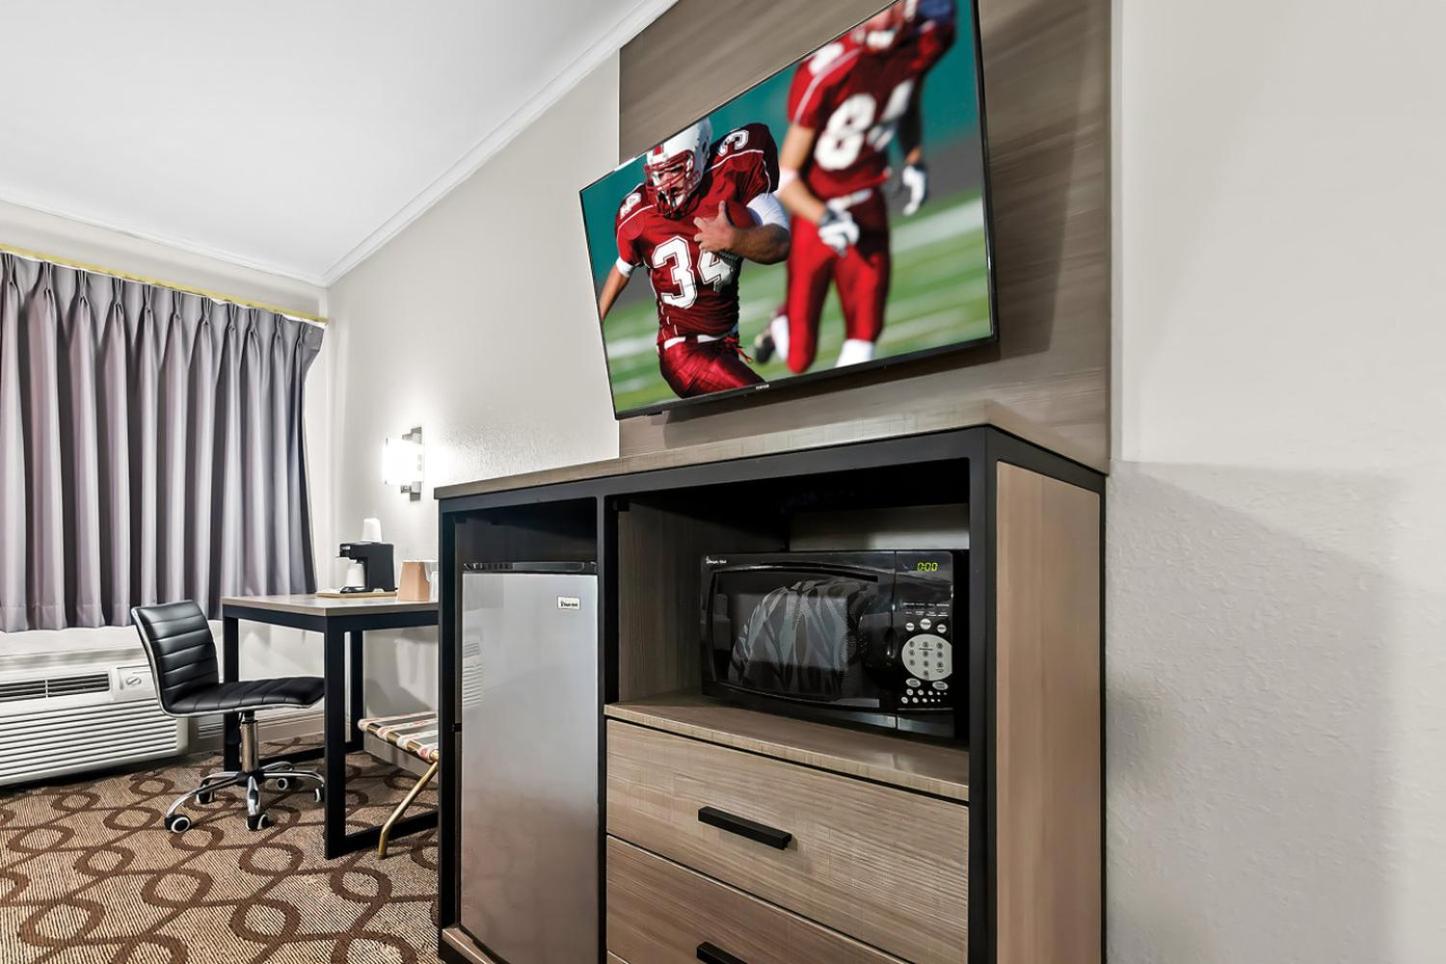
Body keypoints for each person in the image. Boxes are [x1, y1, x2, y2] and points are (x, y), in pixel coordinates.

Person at [754, 0, 957, 373]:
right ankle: (781, 323)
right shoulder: (829, 67)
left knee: (864, 343)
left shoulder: (926, 37)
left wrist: (914, 160)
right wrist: (825, 217)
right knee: (798, 360)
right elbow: (785, 176)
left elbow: (907, 100)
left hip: (868, 204)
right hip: (816, 212)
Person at [597, 119, 790, 399]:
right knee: (765, 402)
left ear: (701, 153)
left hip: (726, 342)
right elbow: (622, 267)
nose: (665, 184)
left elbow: (782, 241)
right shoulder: (638, 214)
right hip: (683, 352)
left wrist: (734, 239)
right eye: (658, 174)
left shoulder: (732, 170)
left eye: (675, 170)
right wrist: (596, 322)